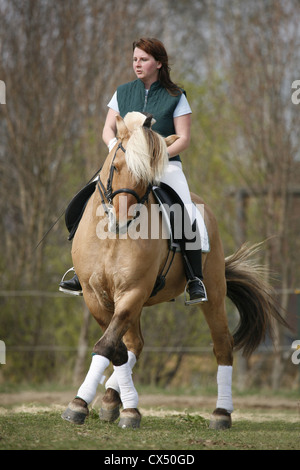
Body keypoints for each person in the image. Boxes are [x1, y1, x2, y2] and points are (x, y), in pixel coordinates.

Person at [59, 37, 207, 304]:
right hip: (123, 165)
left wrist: (153, 157)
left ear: (159, 63)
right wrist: (116, 148)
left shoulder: (176, 96)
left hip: (164, 166)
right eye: (135, 59)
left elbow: (183, 139)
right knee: (82, 201)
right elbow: (107, 129)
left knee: (184, 209)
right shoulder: (122, 92)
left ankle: (195, 278)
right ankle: (79, 270)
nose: (137, 64)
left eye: (144, 60)